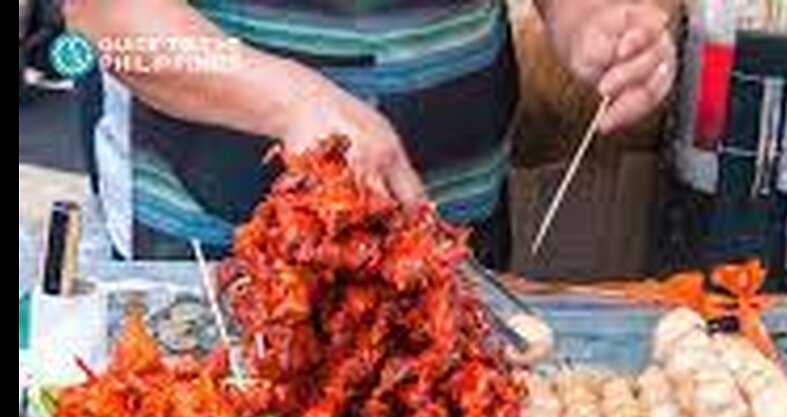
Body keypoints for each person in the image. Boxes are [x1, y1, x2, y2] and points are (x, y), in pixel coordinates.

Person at [66, 0, 675, 269]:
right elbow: (110, 18)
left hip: (446, 231)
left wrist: (593, 22)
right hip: (221, 240)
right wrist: (292, 102)